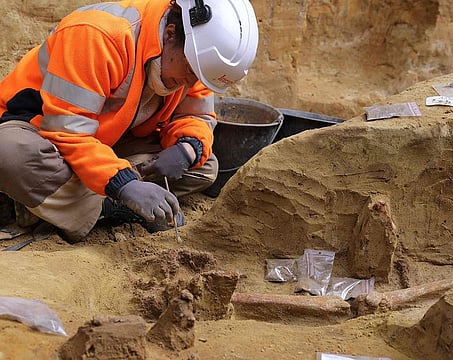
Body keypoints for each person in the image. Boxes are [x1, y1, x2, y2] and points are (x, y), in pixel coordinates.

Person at [0, 0, 259, 242]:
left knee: (204, 165)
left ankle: (50, 203)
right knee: (9, 153)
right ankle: (106, 207)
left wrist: (186, 148)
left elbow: (196, 116)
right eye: (190, 72)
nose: (191, 84)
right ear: (170, 33)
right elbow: (68, 131)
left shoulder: (194, 56)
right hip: (41, 130)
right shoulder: (98, 36)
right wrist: (124, 186)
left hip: (108, 137)